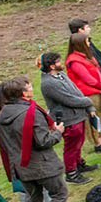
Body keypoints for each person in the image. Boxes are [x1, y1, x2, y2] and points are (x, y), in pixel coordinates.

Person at [0, 77, 70, 202]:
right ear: (23, 93)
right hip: (42, 165)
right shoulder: (31, 112)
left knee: (35, 199)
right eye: (29, 86)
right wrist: (58, 133)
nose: (32, 88)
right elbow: (42, 141)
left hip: (21, 166)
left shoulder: (3, 113)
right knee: (60, 194)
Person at [39, 52, 95, 185]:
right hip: (68, 119)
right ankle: (71, 173)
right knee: (71, 146)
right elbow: (68, 99)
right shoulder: (48, 83)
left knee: (79, 142)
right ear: (52, 66)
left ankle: (78, 164)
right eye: (58, 62)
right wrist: (88, 102)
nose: (61, 63)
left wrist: (88, 107)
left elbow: (76, 91)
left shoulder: (61, 75)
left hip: (78, 115)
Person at [69, 19, 101, 151]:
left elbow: (97, 71)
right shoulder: (75, 61)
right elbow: (88, 79)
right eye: (86, 42)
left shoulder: (86, 56)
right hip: (88, 93)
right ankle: (98, 143)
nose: (88, 43)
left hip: (96, 91)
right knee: (93, 118)